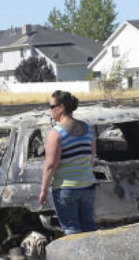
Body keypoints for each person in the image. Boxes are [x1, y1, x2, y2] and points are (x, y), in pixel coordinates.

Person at [38, 90, 97, 234]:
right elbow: (92, 156)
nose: (50, 110)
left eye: (51, 106)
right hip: (88, 186)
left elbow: (51, 165)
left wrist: (44, 190)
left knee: (71, 229)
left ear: (61, 108)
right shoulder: (88, 128)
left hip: (66, 189)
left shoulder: (56, 133)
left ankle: (76, 257)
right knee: (89, 227)